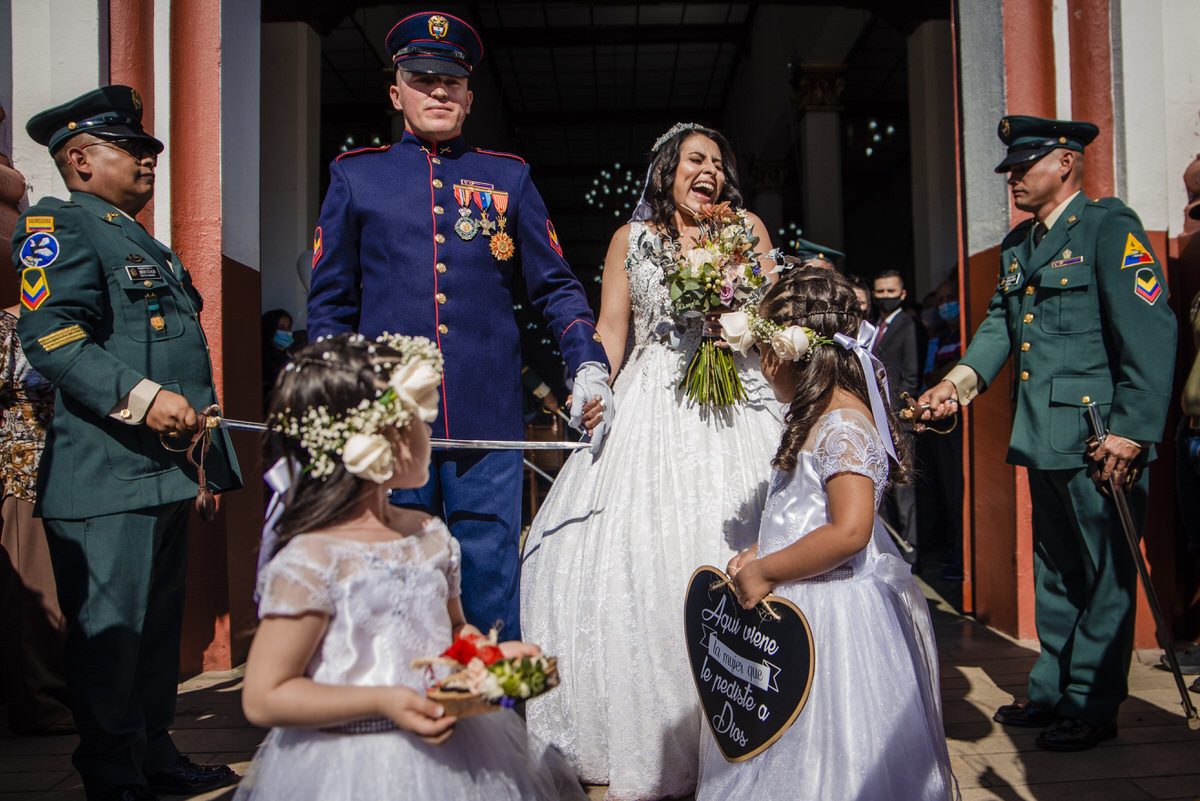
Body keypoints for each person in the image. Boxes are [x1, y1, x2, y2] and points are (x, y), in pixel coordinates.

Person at [306, 11, 611, 639]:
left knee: (488, 580)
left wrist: (586, 361)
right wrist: (333, 396)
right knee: (393, 579)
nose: (438, 91)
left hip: (486, 419)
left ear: (470, 96)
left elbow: (554, 283)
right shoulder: (356, 176)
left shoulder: (509, 177)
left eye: (451, 81)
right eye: (422, 78)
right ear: (396, 93)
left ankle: (494, 723)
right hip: (387, 421)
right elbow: (330, 303)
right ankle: (400, 723)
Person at [519, 122, 783, 800]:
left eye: (719, 163)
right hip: (654, 395)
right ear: (668, 169)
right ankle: (663, 724)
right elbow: (612, 329)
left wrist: (742, 311)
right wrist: (593, 383)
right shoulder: (629, 239)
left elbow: (775, 312)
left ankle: (749, 714)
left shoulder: (746, 228)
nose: (711, 171)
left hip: (738, 394)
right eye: (697, 159)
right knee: (641, 558)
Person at [12, 86, 242, 800]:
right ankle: (113, 774)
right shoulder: (61, 224)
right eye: (132, 149)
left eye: (148, 150)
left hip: (161, 470)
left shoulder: (136, 237)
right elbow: (49, 337)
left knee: (152, 634)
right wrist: (147, 400)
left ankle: (154, 751)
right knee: (110, 637)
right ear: (79, 159)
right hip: (107, 470)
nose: (149, 161)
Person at [919, 115, 1177, 751]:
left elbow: (1151, 332)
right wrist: (956, 384)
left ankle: (1091, 704)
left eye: (1024, 167)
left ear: (1064, 162)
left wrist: (1132, 432)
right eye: (1009, 170)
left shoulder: (1109, 229)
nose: (1012, 180)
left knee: (1106, 572)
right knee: (1057, 571)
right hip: (1045, 432)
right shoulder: (1019, 245)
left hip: (1100, 438)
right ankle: (1054, 689)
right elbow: (1000, 328)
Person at [235, 333, 584, 801]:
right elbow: (264, 695)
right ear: (382, 441)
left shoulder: (428, 535)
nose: (431, 433)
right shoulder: (314, 558)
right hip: (347, 769)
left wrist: (487, 658)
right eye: (421, 422)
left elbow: (453, 631)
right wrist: (383, 702)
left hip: (452, 756)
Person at [696, 267, 953, 801]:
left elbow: (850, 532)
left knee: (832, 752)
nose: (761, 367)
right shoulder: (818, 413)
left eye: (764, 352)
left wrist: (768, 568)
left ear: (790, 351)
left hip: (833, 619)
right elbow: (805, 515)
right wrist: (763, 551)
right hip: (801, 601)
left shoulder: (842, 425)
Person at [0, 301, 72, 735]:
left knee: (66, 595)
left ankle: (62, 695)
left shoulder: (74, 323)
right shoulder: (8, 326)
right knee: (34, 594)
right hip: (25, 472)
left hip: (73, 469)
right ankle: (39, 703)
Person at [871, 269, 920, 560]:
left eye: (891, 292)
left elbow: (911, 376)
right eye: (881, 292)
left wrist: (898, 415)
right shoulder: (874, 327)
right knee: (885, 489)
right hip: (878, 420)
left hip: (898, 419)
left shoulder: (906, 325)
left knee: (904, 490)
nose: (885, 297)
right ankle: (891, 550)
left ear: (902, 294)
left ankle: (911, 552)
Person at [261, 308, 294, 399]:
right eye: (281, 327)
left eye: (288, 328)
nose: (286, 332)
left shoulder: (288, 355)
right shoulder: (263, 358)